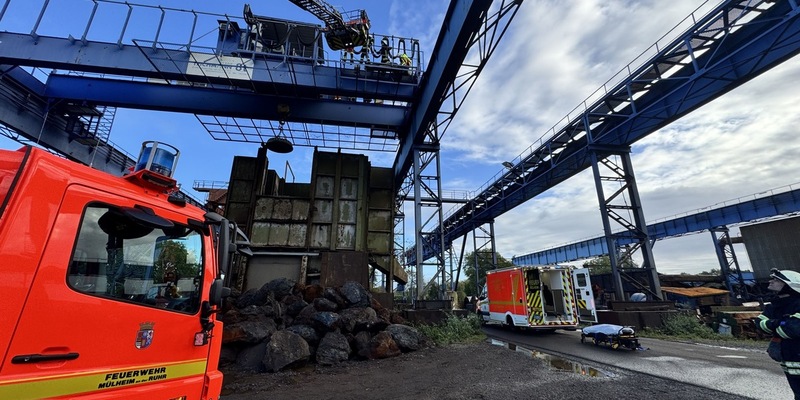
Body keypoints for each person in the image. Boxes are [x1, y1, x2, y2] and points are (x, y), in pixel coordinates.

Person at [755, 268, 800, 399]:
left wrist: (773, 324)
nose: (771, 281)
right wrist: (780, 323)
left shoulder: (798, 304)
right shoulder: (774, 305)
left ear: (789, 285)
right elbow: (759, 324)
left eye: (776, 280)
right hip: (788, 357)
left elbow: (793, 329)